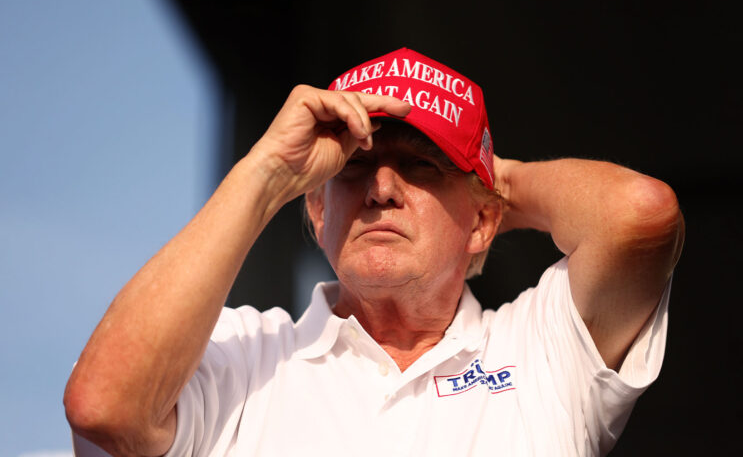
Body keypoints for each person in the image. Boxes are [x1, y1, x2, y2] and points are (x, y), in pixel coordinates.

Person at [64, 48, 684, 456]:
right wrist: (267, 175)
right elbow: (103, 409)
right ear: (315, 209)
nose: (382, 189)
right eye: (355, 168)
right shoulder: (240, 356)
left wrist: (494, 183)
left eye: (421, 168)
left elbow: (641, 216)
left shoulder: (539, 350)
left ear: (484, 225)